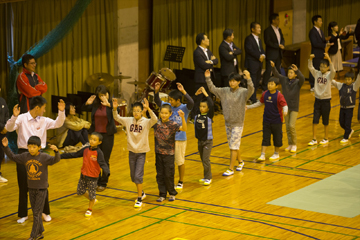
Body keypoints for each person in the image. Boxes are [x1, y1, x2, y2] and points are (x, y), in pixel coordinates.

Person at [5, 96, 65, 224]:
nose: (44, 111)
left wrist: (61, 112)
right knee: (23, 185)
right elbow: (9, 128)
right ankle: (23, 214)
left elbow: (57, 124)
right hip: (23, 153)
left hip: (39, 155)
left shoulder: (43, 120)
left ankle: (45, 212)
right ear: (37, 108)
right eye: (43, 108)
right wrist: (14, 116)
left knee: (42, 185)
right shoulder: (21, 118)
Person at [2, 136, 60, 240]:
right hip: (31, 188)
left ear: (39, 147)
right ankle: (40, 232)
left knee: (37, 214)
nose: (31, 149)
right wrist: (6, 147)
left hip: (42, 189)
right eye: (29, 146)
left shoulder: (44, 157)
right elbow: (13, 157)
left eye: (34, 147)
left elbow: (55, 160)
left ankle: (33, 236)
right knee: (35, 212)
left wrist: (56, 152)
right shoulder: (25, 156)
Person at [205, 69, 254, 176]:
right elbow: (212, 89)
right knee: (234, 145)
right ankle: (240, 162)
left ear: (239, 82)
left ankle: (231, 169)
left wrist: (249, 78)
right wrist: (208, 78)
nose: (232, 83)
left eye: (234, 81)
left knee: (233, 146)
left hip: (238, 123)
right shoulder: (224, 91)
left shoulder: (243, 92)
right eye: (230, 81)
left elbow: (251, 90)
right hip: (228, 123)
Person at [112, 98, 157, 207]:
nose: (136, 112)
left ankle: (139, 198)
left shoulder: (146, 122)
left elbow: (155, 120)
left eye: (138, 110)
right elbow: (116, 117)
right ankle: (141, 192)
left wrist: (149, 109)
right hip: (131, 152)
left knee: (138, 176)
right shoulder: (128, 120)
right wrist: (114, 109)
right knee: (133, 176)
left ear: (142, 112)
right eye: (134, 110)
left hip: (141, 153)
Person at [154, 82, 194, 190]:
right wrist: (156, 91)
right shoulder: (168, 107)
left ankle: (181, 181)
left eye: (172, 100)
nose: (170, 102)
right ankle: (169, 181)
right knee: (169, 163)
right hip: (168, 140)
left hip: (179, 139)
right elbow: (158, 101)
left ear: (178, 100)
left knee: (180, 161)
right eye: (169, 100)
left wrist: (183, 91)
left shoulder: (184, 108)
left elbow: (191, 102)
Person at [60, 132, 109, 217]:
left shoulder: (99, 153)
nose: (92, 141)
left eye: (94, 140)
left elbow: (103, 164)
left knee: (92, 193)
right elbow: (75, 154)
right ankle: (93, 200)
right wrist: (61, 156)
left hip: (93, 177)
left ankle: (90, 208)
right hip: (83, 175)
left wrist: (106, 172)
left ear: (99, 142)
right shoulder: (85, 149)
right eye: (91, 139)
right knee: (80, 191)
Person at [83, 85, 117, 192]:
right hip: (96, 136)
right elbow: (83, 109)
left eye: (104, 95)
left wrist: (109, 105)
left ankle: (103, 182)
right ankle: (95, 180)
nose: (102, 97)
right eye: (100, 95)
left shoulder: (111, 104)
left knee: (105, 159)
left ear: (108, 94)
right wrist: (87, 103)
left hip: (107, 135)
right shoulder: (95, 105)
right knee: (95, 159)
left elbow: (117, 111)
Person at [153, 104, 187, 202]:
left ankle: (172, 193)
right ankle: (162, 194)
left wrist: (183, 117)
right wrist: (146, 109)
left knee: (168, 174)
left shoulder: (173, 124)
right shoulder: (156, 123)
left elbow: (184, 129)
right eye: (162, 113)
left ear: (170, 114)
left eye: (166, 113)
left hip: (169, 154)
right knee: (160, 175)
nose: (163, 115)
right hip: (158, 153)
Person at [249, 77, 288, 161]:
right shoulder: (265, 94)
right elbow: (260, 103)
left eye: (272, 84)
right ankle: (262, 154)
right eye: (268, 84)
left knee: (277, 137)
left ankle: (276, 153)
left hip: (277, 121)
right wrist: (249, 107)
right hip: (266, 120)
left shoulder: (279, 95)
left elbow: (284, 105)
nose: (269, 86)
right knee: (265, 137)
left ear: (276, 86)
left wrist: (285, 111)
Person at [270, 60, 305, 152]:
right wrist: (273, 67)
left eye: (292, 73)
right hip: (285, 107)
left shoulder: (298, 82)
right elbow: (277, 75)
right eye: (289, 72)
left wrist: (297, 71)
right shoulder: (284, 80)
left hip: (294, 107)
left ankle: (294, 144)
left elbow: (303, 79)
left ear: (295, 74)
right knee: (287, 127)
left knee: (291, 126)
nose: (289, 74)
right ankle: (290, 144)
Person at [308, 53, 336, 146]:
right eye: (321, 66)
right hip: (317, 100)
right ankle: (314, 138)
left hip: (326, 101)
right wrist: (310, 59)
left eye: (324, 66)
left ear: (328, 68)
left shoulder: (329, 75)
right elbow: (310, 68)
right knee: (315, 120)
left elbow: (334, 71)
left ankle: (326, 138)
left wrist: (329, 59)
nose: (322, 68)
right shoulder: (317, 73)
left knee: (325, 120)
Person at [193, 87, 214, 185]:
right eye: (201, 106)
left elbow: (212, 104)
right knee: (202, 159)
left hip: (207, 141)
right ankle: (205, 176)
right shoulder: (197, 115)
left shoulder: (209, 116)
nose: (201, 108)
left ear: (208, 108)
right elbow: (193, 105)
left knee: (206, 159)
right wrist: (196, 95)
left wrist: (206, 94)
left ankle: (209, 177)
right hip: (199, 141)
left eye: (204, 107)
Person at [331, 72, 360, 143]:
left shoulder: (354, 86)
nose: (347, 81)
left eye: (349, 79)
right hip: (342, 107)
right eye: (346, 79)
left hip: (349, 108)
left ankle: (346, 137)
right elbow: (333, 82)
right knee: (341, 122)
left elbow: (358, 80)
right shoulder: (341, 85)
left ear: (352, 80)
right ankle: (349, 130)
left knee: (347, 122)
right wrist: (328, 75)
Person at [309, 15, 333, 91]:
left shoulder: (321, 31)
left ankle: (318, 84)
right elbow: (315, 43)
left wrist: (327, 41)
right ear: (315, 22)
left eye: (321, 21)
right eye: (320, 21)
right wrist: (325, 45)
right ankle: (312, 85)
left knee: (320, 69)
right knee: (314, 69)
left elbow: (322, 40)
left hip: (321, 53)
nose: (321, 22)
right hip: (315, 53)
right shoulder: (312, 32)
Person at [262, 13, 285, 91]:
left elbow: (282, 39)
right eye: (277, 19)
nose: (279, 21)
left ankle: (276, 86)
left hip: (278, 53)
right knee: (268, 70)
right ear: (273, 20)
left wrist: (282, 44)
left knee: (277, 70)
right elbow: (267, 42)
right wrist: (277, 46)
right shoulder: (267, 30)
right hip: (271, 54)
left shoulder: (279, 29)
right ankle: (264, 87)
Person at [245, 22, 265, 104]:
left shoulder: (259, 39)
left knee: (257, 81)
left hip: (259, 62)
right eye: (258, 28)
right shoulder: (248, 39)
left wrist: (263, 55)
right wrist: (259, 56)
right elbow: (249, 50)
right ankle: (251, 98)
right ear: (252, 29)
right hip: (252, 62)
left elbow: (261, 49)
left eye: (260, 27)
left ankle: (254, 96)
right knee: (252, 81)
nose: (260, 29)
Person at [0, 84, 9, 183]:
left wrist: (6, 126)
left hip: (3, 133)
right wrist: (2, 127)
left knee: (1, 154)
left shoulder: (2, 100)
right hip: (1, 129)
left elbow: (7, 114)